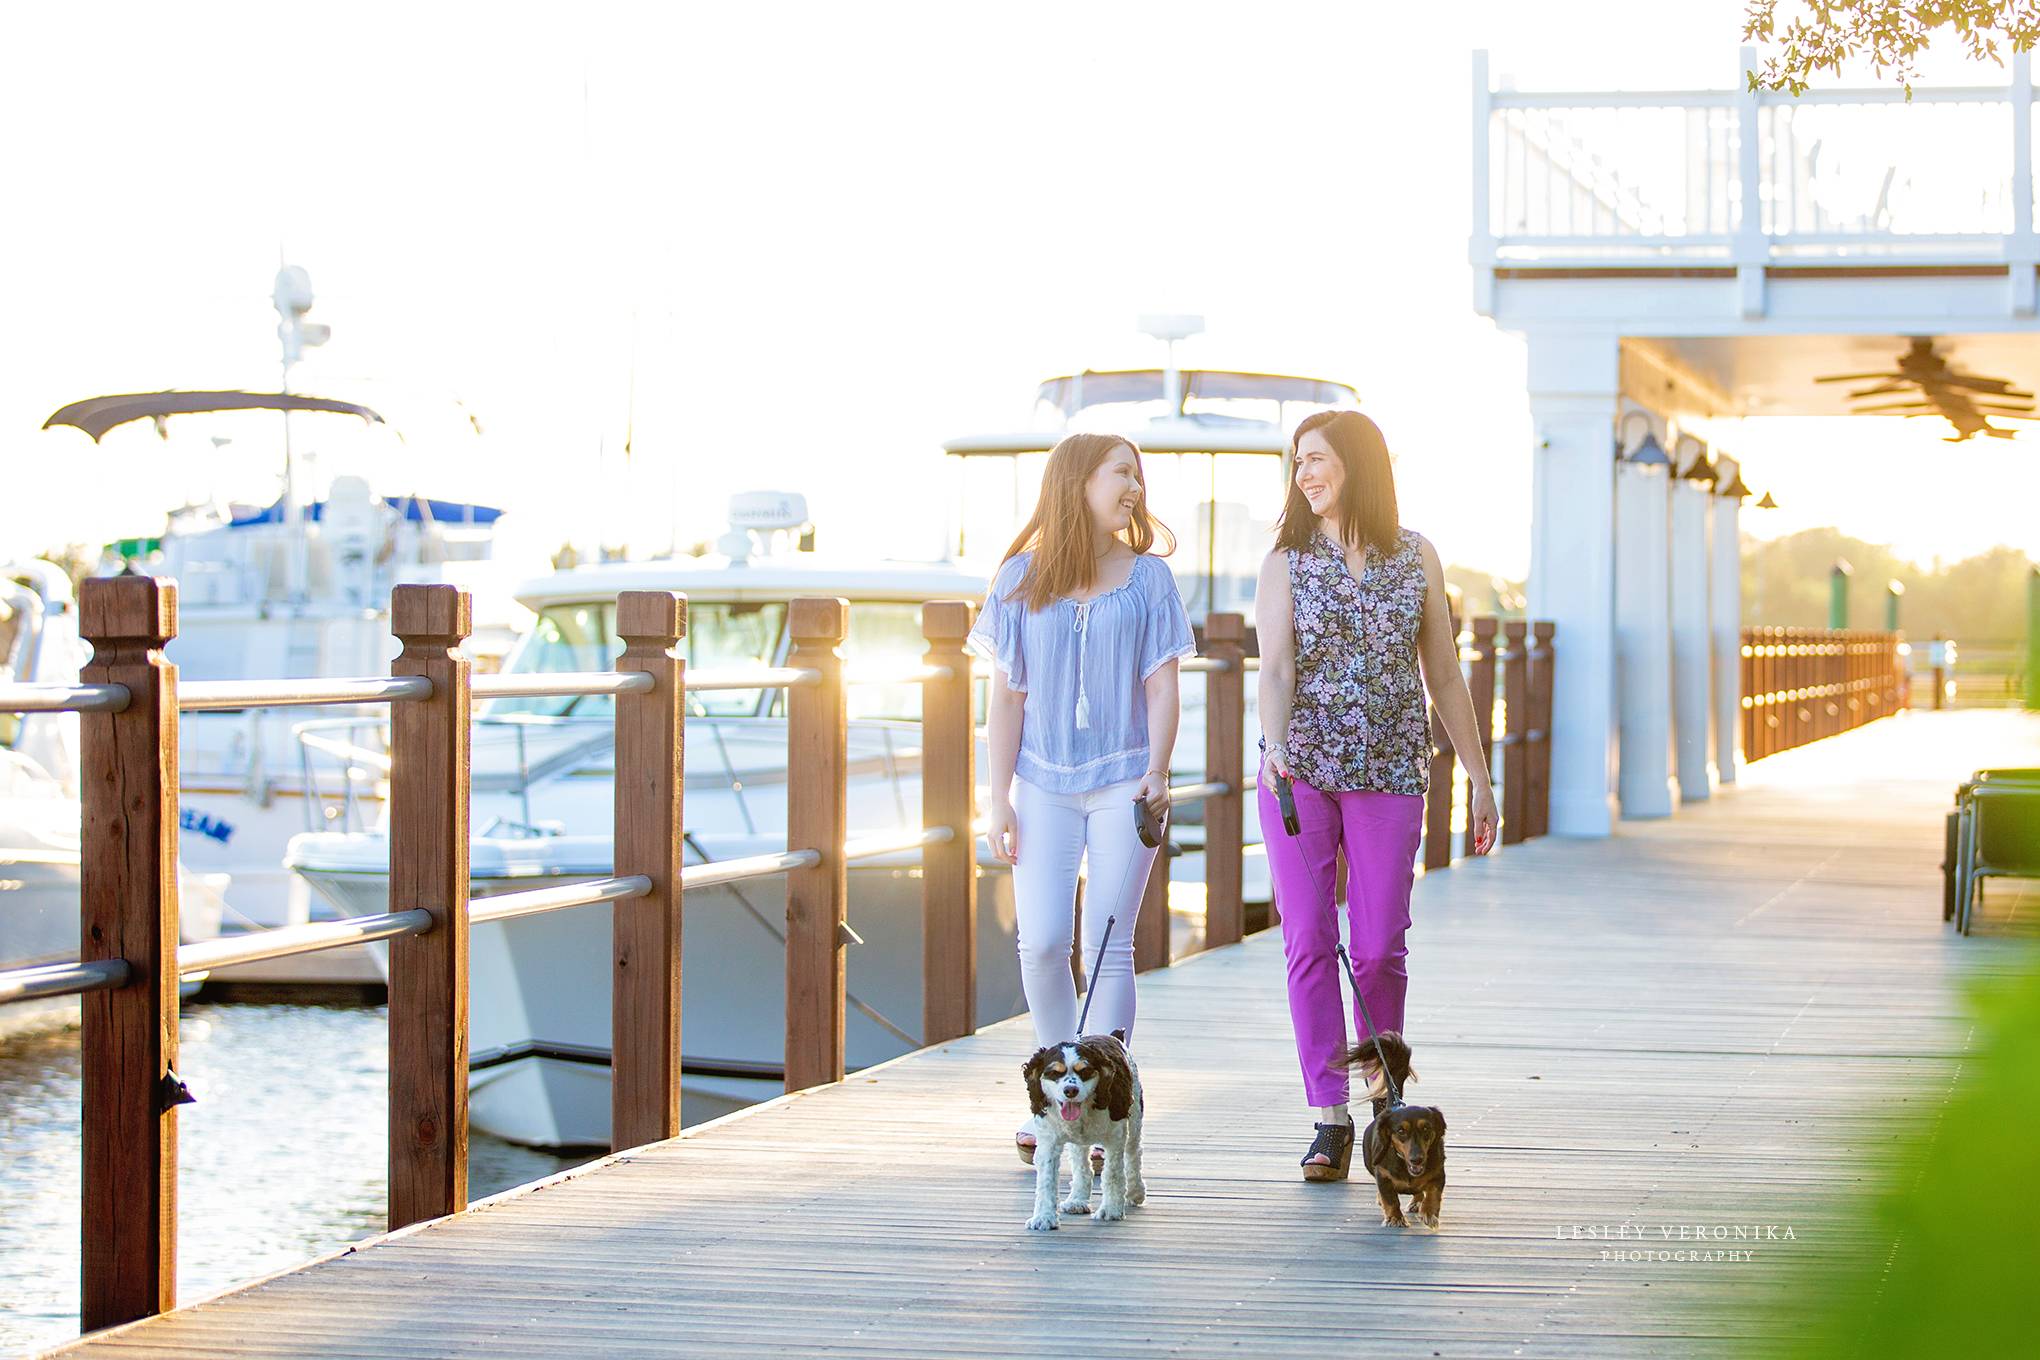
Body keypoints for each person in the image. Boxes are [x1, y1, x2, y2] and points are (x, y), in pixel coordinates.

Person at [1254, 409, 1498, 1183]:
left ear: (1358, 463)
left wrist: (1482, 779)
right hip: (1303, 777)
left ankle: (1385, 1099)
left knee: (1379, 943)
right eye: (1298, 464)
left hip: (1392, 772)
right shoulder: (1285, 561)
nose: (1305, 475)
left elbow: (1446, 676)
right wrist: (1276, 749)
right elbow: (1276, 671)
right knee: (1307, 942)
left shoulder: (1415, 556)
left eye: (1318, 459)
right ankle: (1329, 1119)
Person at [970, 432, 1195, 1164]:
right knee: (1039, 942)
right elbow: (1005, 700)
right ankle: (1057, 1097)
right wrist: (996, 797)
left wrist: (1158, 772)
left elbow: (1164, 685)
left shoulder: (1148, 579)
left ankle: (1099, 1110)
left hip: (1125, 777)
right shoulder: (1017, 579)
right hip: (1041, 783)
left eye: (1138, 475)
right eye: (1121, 473)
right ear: (1077, 482)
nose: (1135, 487)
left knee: (1107, 943)